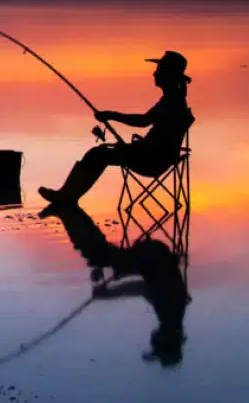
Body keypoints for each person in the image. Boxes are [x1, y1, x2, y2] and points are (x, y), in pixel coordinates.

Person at [38, 50, 194, 206]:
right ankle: (67, 194)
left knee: (99, 154)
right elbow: (151, 126)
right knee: (98, 152)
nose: (154, 74)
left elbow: (144, 121)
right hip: (151, 155)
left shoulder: (172, 101)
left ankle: (67, 197)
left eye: (159, 70)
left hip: (150, 160)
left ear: (169, 75)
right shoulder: (173, 98)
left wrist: (112, 115)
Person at [41, 204, 189, 366]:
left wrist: (120, 277)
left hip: (150, 258)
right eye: (156, 345)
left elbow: (147, 285)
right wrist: (110, 291)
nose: (152, 342)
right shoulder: (170, 312)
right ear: (166, 342)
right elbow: (141, 287)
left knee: (98, 255)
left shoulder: (172, 314)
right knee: (96, 254)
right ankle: (68, 212)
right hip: (150, 256)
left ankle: (69, 213)